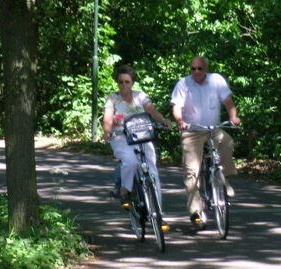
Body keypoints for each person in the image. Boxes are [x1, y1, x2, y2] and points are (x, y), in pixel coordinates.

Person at [170, 56, 241, 226]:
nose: (196, 72)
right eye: (192, 68)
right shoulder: (183, 84)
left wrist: (233, 117)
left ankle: (223, 179)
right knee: (191, 171)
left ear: (206, 69)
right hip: (192, 131)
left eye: (199, 68)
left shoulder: (216, 80)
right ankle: (196, 209)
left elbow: (228, 102)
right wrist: (180, 121)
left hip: (212, 129)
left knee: (227, 142)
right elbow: (176, 107)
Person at [103, 65, 171, 205]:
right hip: (121, 137)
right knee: (131, 161)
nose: (123, 85)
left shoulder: (140, 96)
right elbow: (107, 117)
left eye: (127, 82)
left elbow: (151, 110)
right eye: (120, 82)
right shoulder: (112, 98)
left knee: (152, 170)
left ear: (132, 82)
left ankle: (156, 209)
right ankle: (125, 189)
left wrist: (163, 120)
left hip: (143, 136)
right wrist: (107, 130)